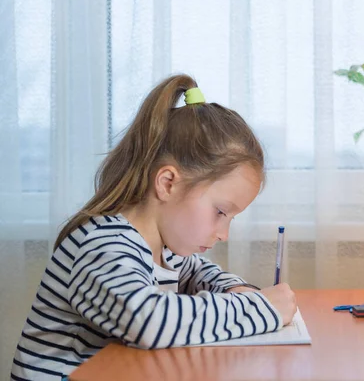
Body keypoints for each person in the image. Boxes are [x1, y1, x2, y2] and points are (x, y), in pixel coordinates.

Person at [11, 74, 297, 380]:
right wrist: (260, 310)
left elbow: (199, 272)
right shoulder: (102, 245)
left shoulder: (163, 249)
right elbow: (147, 321)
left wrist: (236, 289)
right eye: (220, 212)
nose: (223, 234)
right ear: (168, 183)